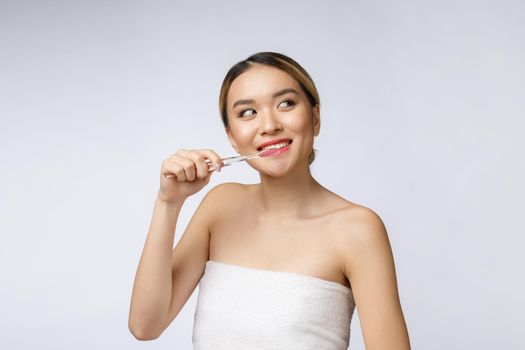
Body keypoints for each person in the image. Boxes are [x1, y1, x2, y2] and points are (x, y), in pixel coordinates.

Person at [128, 51, 411, 349]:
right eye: (247, 112)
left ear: (315, 118)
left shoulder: (357, 229)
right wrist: (168, 204)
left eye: (286, 103)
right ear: (233, 138)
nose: (269, 125)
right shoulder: (220, 206)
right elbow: (145, 325)